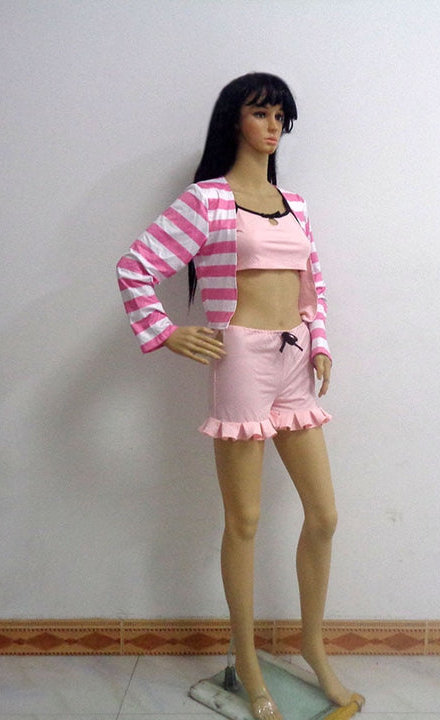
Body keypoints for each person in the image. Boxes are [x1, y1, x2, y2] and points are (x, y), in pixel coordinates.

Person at [116, 72, 363, 720]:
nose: (273, 125)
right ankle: (247, 660)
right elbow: (136, 266)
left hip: (295, 359)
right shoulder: (207, 200)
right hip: (242, 363)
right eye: (261, 113)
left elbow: (313, 286)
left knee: (325, 515)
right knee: (245, 521)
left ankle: (312, 645)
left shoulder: (295, 204)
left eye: (281, 115)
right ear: (235, 120)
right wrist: (167, 332)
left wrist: (320, 343)